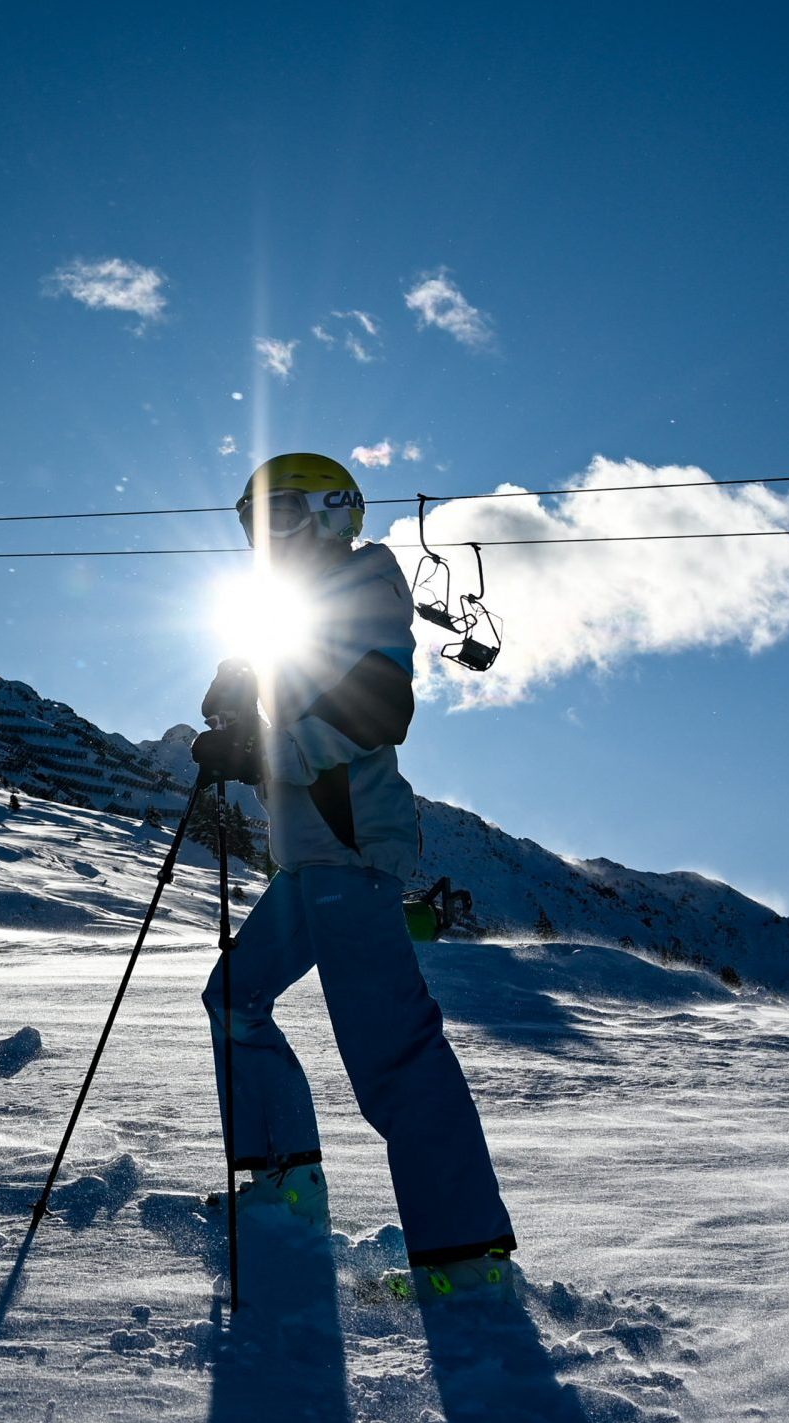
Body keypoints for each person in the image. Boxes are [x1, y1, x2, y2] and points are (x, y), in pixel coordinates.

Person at [189, 452, 518, 1302]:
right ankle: (284, 1178)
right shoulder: (292, 606)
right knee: (233, 997)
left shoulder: (365, 579)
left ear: (335, 513)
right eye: (253, 524)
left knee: (393, 1059)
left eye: (283, 517)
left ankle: (464, 1257)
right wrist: (238, 690)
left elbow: (377, 705)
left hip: (347, 856)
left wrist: (260, 745)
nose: (267, 540)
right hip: (308, 864)